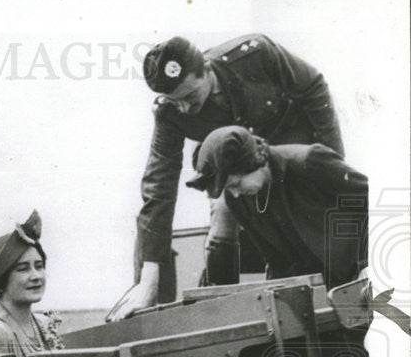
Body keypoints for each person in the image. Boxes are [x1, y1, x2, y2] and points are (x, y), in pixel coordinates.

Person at [109, 34, 345, 320]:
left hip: (288, 154)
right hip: (235, 170)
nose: (183, 108)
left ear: (206, 70)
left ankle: (315, 298)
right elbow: (158, 187)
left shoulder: (255, 55)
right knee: (222, 214)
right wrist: (148, 278)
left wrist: (330, 166)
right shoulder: (170, 112)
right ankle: (223, 309)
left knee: (306, 227)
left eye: (189, 97)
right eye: (175, 101)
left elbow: (313, 87)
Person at [185, 126, 367, 287]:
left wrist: (368, 264)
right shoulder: (238, 201)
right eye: (228, 189)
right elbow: (275, 260)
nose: (235, 194)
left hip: (363, 273)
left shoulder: (309, 161)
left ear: (255, 162)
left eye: (237, 183)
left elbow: (374, 205)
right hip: (324, 289)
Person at [0, 210, 61, 357]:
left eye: (39, 266)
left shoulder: (42, 324)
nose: (36, 276)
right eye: (23, 269)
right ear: (2, 278)